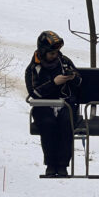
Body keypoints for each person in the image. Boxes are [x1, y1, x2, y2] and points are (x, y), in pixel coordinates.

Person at [25, 31, 82, 177]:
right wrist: (54, 83)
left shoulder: (65, 62)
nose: (55, 55)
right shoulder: (33, 69)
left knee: (65, 123)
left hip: (65, 104)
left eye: (56, 52)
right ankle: (51, 164)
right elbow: (34, 93)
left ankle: (62, 165)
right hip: (43, 106)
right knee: (48, 124)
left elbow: (80, 82)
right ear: (43, 52)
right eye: (51, 53)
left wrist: (72, 77)